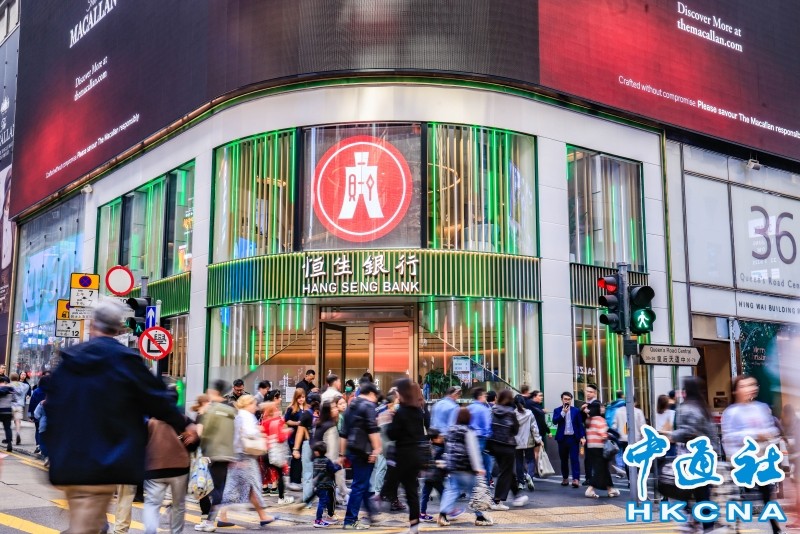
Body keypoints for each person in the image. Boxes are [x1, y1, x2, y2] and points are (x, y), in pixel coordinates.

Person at [45, 301, 194, 534]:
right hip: (103, 461)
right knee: (87, 527)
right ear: (118, 328)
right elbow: (157, 399)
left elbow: (52, 409)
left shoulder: (69, 360)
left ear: (92, 325)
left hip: (69, 460)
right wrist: (184, 425)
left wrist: (52, 451)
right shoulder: (124, 360)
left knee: (86, 523)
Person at [722, 375, 782, 534]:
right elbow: (728, 437)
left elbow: (772, 429)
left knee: (767, 495)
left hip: (760, 460)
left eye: (752, 385)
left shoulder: (761, 408)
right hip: (739, 462)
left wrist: (768, 434)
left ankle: (776, 528)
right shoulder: (731, 412)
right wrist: (754, 435)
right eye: (743, 386)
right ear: (735, 391)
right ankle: (734, 528)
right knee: (735, 497)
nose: (749, 389)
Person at [143, 389, 198, 534]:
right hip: (179, 468)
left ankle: (150, 531)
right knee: (179, 505)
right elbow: (194, 444)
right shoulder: (184, 420)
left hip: (154, 468)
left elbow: (141, 443)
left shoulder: (150, 421)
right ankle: (176, 532)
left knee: (152, 504)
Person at [218, 395, 277, 527]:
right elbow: (249, 433)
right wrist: (259, 431)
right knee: (251, 485)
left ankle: (222, 516)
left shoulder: (239, 415)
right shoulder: (247, 416)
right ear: (247, 404)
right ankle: (215, 515)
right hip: (246, 456)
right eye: (253, 404)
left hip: (239, 455)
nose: (255, 407)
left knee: (240, 487)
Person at [670, 376, 718, 532]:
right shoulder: (704, 407)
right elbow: (712, 434)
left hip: (691, 458)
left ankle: (693, 523)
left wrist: (670, 435)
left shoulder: (686, 408)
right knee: (702, 494)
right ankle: (706, 526)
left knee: (686, 493)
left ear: (686, 390)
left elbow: (688, 432)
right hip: (706, 457)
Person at [437, 407, 494, 527]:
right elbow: (473, 451)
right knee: (474, 493)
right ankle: (480, 516)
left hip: (453, 468)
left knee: (451, 491)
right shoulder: (469, 431)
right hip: (466, 468)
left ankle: (442, 515)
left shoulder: (450, 430)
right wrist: (478, 468)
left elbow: (448, 449)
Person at [196, 380, 237, 532]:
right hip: (227, 454)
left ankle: (208, 522)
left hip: (212, 453)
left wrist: (202, 451)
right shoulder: (231, 410)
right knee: (218, 487)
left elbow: (204, 433)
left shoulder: (211, 409)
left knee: (212, 488)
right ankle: (208, 521)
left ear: (215, 392)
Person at [339, 381, 382, 530]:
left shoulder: (351, 406)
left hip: (353, 450)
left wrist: (342, 454)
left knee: (362, 483)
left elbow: (343, 433)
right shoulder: (368, 406)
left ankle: (371, 513)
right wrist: (376, 449)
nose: (376, 401)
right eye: (376, 397)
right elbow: (372, 429)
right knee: (359, 485)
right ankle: (350, 520)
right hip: (365, 452)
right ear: (371, 393)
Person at [387, 379, 425, 534]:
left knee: (394, 484)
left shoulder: (401, 412)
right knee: (412, 492)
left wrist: (390, 419)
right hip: (416, 455)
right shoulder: (418, 410)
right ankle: (414, 526)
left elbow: (392, 434)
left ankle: (378, 502)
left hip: (403, 456)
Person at [488, 389, 528, 510]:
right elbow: (515, 430)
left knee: (507, 470)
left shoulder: (493, 410)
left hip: (494, 445)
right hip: (507, 446)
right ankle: (497, 500)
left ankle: (517, 495)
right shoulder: (511, 412)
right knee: (505, 472)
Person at [260, 401, 295, 505]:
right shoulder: (277, 421)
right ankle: (281, 498)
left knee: (263, 473)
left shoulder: (264, 421)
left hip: (265, 452)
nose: (278, 409)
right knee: (280, 475)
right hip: (274, 453)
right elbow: (280, 438)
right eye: (276, 408)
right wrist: (287, 432)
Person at [313, 398, 342, 519]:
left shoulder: (319, 424)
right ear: (328, 411)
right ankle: (330, 514)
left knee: (324, 492)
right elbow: (332, 449)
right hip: (328, 463)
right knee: (331, 490)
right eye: (334, 407)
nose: (336, 409)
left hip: (318, 463)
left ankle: (326, 513)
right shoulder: (330, 427)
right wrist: (334, 464)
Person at [584, 403, 618, 499]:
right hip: (600, 447)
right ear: (597, 409)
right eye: (601, 407)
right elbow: (603, 434)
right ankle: (590, 489)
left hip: (591, 447)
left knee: (603, 469)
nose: (603, 408)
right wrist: (610, 436)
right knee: (600, 469)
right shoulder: (600, 419)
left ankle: (610, 489)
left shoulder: (589, 420)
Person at [553, 391, 585, 488]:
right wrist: (563, 413)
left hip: (573, 438)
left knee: (574, 459)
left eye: (569, 399)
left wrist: (582, 436)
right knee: (564, 459)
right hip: (562, 439)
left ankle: (576, 479)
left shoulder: (576, 411)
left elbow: (580, 425)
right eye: (565, 399)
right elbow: (554, 421)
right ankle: (565, 478)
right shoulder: (557, 410)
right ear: (562, 400)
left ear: (571, 400)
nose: (567, 401)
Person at [310, 441, 342, 528]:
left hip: (317, 485)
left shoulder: (315, 460)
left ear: (317, 452)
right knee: (322, 503)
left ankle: (325, 517)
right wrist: (339, 466)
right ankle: (318, 520)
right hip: (326, 486)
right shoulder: (327, 461)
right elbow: (333, 469)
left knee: (324, 501)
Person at [418, 428, 445, 523]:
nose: (442, 438)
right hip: (435, 476)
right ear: (435, 439)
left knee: (425, 494)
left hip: (427, 475)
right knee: (444, 493)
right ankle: (446, 513)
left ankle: (422, 514)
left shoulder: (426, 446)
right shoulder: (439, 449)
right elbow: (441, 463)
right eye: (440, 437)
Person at [468, 388, 493, 485]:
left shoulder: (469, 408)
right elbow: (487, 426)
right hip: (482, 438)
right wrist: (489, 435)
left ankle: (474, 483)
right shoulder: (484, 409)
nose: (486, 397)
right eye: (484, 395)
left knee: (474, 461)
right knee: (486, 462)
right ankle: (484, 483)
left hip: (470, 437)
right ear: (480, 396)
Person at [514, 396, 539, 491]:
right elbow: (534, 428)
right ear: (524, 403)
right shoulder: (529, 413)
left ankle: (520, 483)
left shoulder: (513, 414)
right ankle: (529, 475)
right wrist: (538, 439)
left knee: (519, 461)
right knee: (531, 460)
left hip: (516, 441)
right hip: (528, 440)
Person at [285, 388, 308, 491]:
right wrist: (296, 423)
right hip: (293, 437)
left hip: (304, 437)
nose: (301, 399)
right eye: (299, 397)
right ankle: (295, 481)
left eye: (302, 397)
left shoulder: (307, 408)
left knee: (301, 459)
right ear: (295, 398)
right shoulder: (291, 408)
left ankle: (297, 480)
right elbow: (286, 420)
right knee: (296, 458)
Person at [580, 383, 600, 485]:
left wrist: (585, 410)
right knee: (588, 457)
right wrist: (582, 410)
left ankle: (596, 478)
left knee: (596, 457)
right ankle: (589, 477)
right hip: (588, 434)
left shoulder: (597, 404)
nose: (588, 393)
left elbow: (595, 416)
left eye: (590, 392)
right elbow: (581, 419)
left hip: (596, 435)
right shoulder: (585, 404)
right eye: (586, 391)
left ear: (595, 393)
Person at [29, 375, 48, 455]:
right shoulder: (52, 391)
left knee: (38, 430)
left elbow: (32, 403)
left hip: (38, 413)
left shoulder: (36, 391)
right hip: (48, 415)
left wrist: (30, 414)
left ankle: (38, 445)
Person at [9, 373, 28, 445]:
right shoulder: (24, 385)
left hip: (10, 405)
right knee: (17, 421)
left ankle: (9, 437)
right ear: (18, 378)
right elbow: (27, 388)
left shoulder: (9, 385)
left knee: (7, 422)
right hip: (19, 406)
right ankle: (18, 433)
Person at [0, 376, 13, 452]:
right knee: (8, 428)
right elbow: (14, 400)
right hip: (8, 411)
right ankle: (9, 443)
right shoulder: (11, 389)